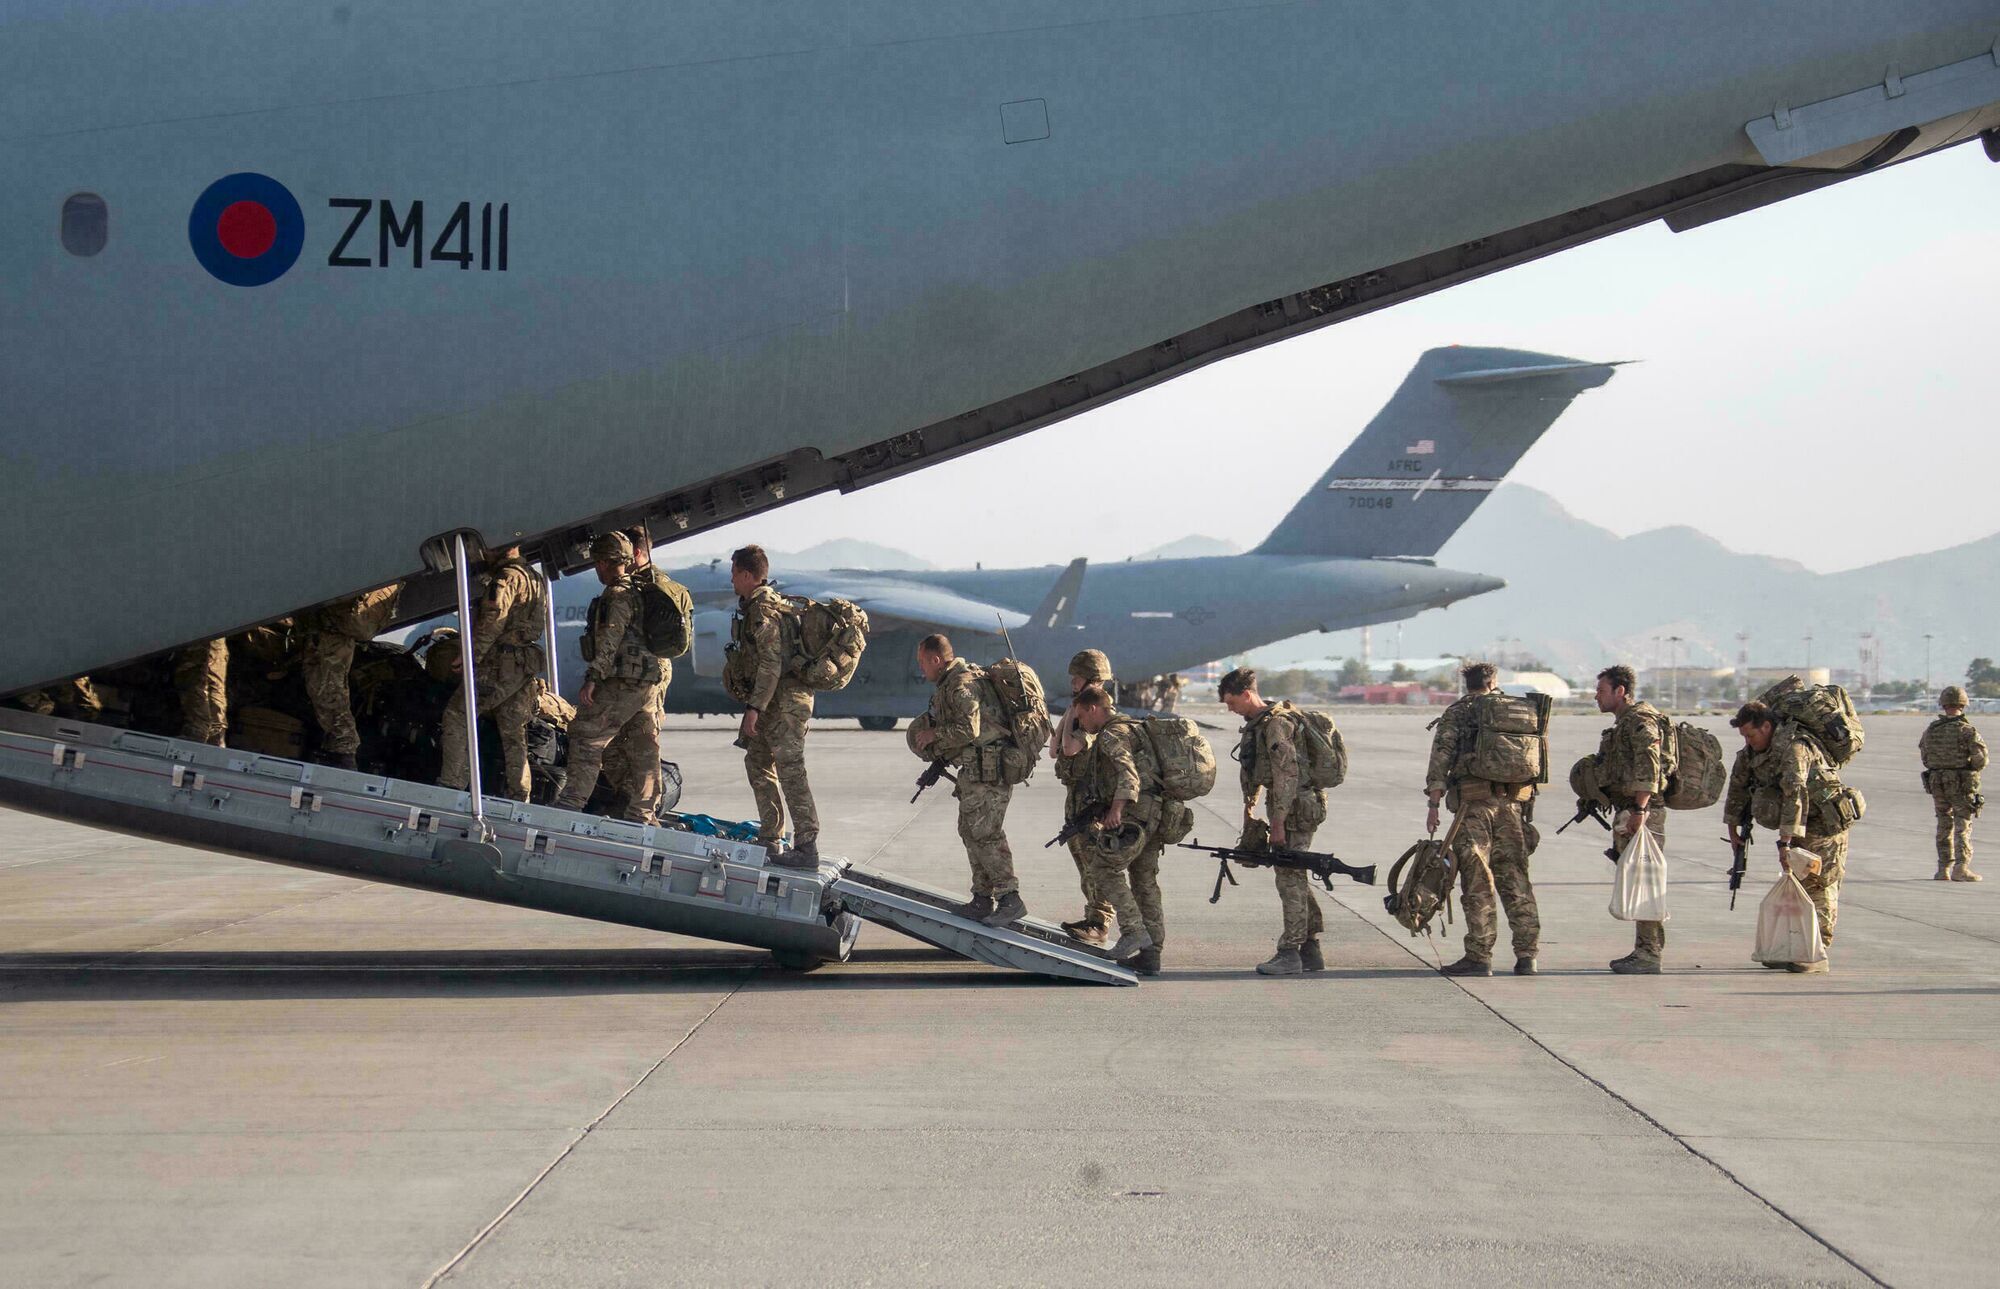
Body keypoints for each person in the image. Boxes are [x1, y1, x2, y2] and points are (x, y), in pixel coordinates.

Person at [1424, 661, 1542, 977]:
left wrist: (1434, 803)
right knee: (1516, 878)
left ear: (1467, 684)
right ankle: (1527, 954)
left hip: (1473, 807)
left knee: (1477, 881)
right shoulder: (1518, 710)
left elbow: (1442, 756)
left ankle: (1479, 955)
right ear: (1494, 681)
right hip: (1513, 806)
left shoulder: (1460, 711)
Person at [1724, 700, 1859, 973]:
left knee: (1819, 886)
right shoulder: (1751, 753)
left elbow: (1795, 795)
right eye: (1745, 737)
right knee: (1796, 884)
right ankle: (1793, 947)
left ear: (1767, 726)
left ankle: (1815, 953)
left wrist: (1785, 843)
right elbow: (1737, 788)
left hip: (1825, 823)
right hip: (1798, 826)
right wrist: (1733, 829)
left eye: (1752, 735)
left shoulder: (1795, 748)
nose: (1749, 742)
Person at [1220, 667, 1329, 977]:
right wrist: (1250, 809)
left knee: (1289, 877)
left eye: (1232, 703)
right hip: (1286, 805)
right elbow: (1257, 770)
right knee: (1293, 873)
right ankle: (1310, 948)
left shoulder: (1277, 725)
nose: (1231, 710)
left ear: (1246, 694)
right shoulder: (1259, 724)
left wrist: (1278, 822)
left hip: (1296, 806)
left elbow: (1286, 775)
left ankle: (1290, 952)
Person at [912, 634, 1025, 927]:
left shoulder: (961, 685)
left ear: (937, 660)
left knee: (986, 833)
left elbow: (968, 730)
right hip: (976, 770)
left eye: (923, 662)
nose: (921, 669)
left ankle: (1010, 898)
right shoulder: (952, 683)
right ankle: (982, 898)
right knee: (969, 831)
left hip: (990, 770)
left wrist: (932, 735)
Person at [552, 533, 664, 823]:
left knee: (585, 734)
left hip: (623, 682)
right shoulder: (640, 590)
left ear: (603, 562)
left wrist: (593, 677)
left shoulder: (617, 595)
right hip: (647, 684)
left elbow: (609, 641)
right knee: (643, 747)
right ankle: (642, 813)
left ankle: (570, 804)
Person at [729, 544, 819, 866]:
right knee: (757, 762)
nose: (732, 580)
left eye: (735, 573)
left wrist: (754, 708)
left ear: (749, 575)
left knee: (791, 771)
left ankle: (807, 847)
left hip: (784, 705)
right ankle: (771, 836)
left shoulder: (763, 610)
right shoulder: (759, 607)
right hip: (774, 702)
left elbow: (770, 664)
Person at [436, 545, 545, 800]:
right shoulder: (534, 577)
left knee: (457, 714)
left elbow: (493, 621)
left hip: (501, 662)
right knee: (513, 729)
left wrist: (470, 655)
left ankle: (452, 783)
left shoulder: (507, 577)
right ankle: (520, 793)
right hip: (523, 664)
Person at [1071, 683, 1163, 966]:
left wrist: (1116, 809)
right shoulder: (1133, 727)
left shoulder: (1112, 734)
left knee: (1102, 868)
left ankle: (1134, 932)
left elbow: (1129, 775)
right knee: (1144, 881)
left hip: (1135, 816)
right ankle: (1151, 955)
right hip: (1156, 814)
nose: (1082, 724)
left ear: (1093, 708)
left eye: (1081, 717)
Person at [1592, 664, 1671, 974]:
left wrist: (1639, 810)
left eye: (1601, 691)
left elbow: (1650, 766)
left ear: (1620, 691)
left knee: (1645, 881)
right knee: (1639, 880)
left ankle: (1649, 953)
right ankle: (1647, 949)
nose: (1596, 697)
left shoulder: (1639, 722)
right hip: (1632, 808)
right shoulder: (1624, 723)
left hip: (1643, 812)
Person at [600, 525, 678, 820]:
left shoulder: (645, 587)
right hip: (647, 673)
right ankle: (636, 807)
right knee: (626, 746)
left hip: (643, 676)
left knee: (641, 747)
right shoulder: (657, 584)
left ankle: (642, 812)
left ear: (633, 552)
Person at [1050, 649, 1118, 944]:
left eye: (1077, 678)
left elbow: (1068, 750)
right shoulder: (1078, 709)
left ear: (1092, 679)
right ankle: (1092, 917)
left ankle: (1100, 923)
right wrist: (1069, 711)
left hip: (1092, 801)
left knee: (1096, 863)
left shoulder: (1096, 713)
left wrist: (1073, 713)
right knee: (1084, 863)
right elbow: (1053, 749)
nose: (1072, 683)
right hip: (1076, 797)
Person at [300, 582, 404, 770]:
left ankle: (343, 751)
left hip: (337, 626)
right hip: (335, 623)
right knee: (326, 686)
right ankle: (341, 750)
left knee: (327, 687)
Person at [1920, 684, 1985, 882]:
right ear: (1963, 705)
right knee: (1962, 824)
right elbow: (1981, 760)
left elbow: (1925, 757)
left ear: (1943, 704)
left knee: (1943, 822)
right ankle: (1961, 867)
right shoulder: (1966, 731)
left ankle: (1943, 869)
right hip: (1960, 783)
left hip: (1937, 782)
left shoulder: (1931, 730)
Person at [173, 638, 230, 746]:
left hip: (200, 634)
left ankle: (197, 729)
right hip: (216, 635)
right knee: (214, 684)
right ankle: (216, 734)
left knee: (193, 678)